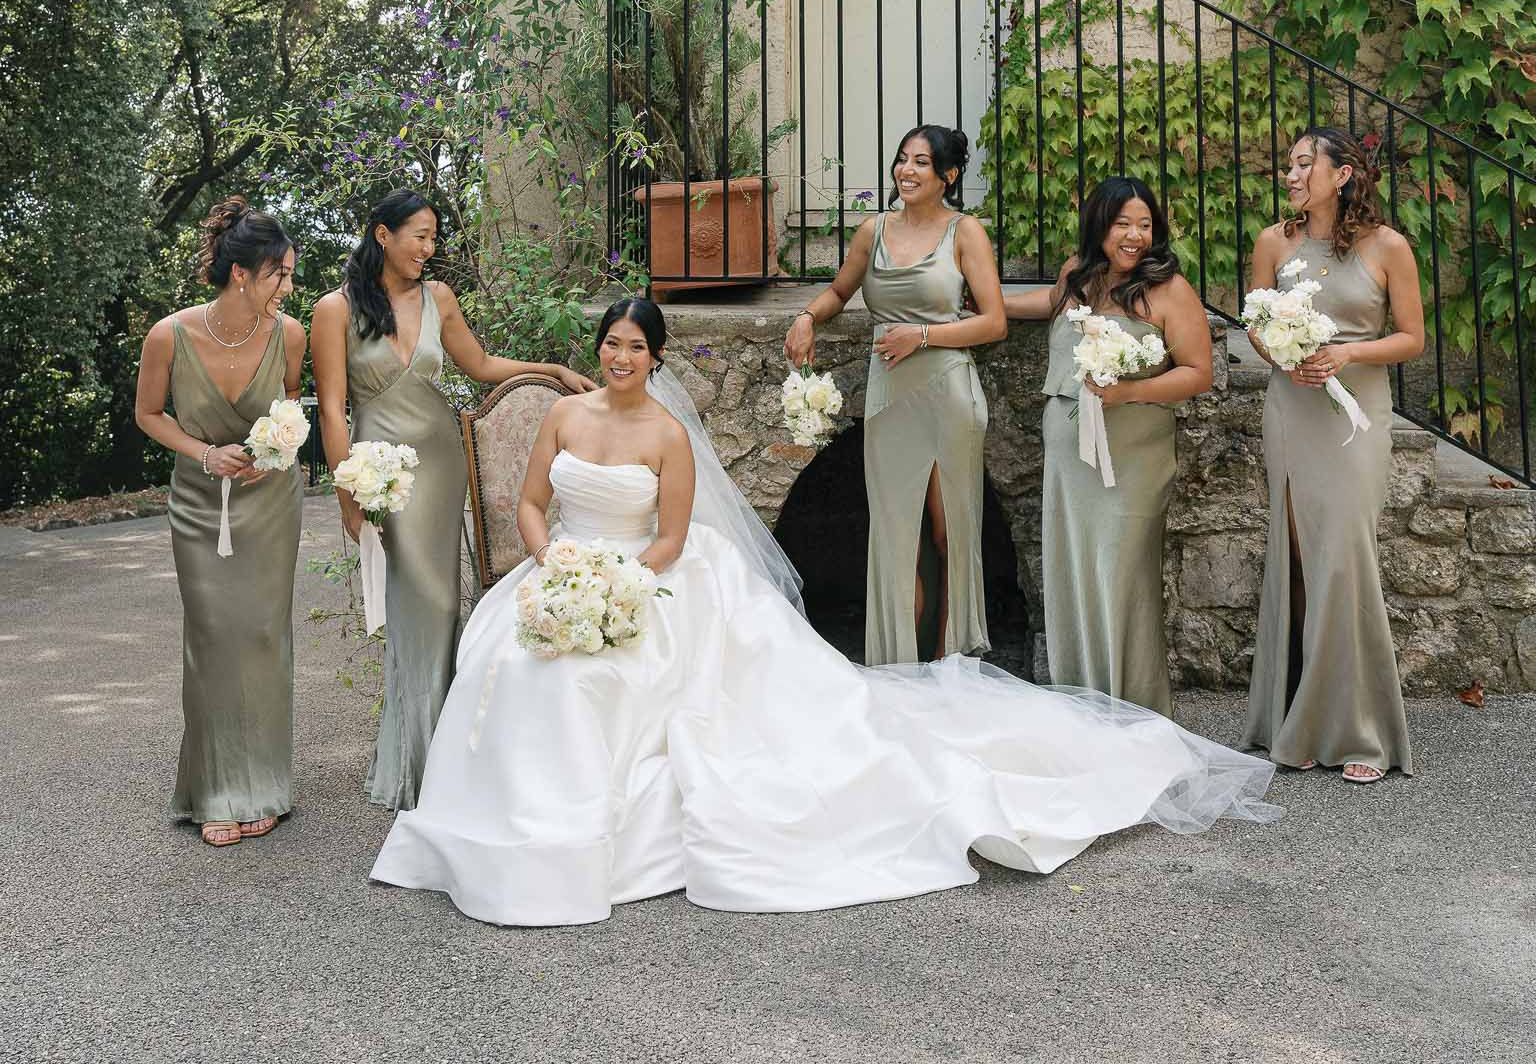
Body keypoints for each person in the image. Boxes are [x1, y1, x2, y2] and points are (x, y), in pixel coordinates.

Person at [370, 296, 1278, 927]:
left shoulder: (666, 436)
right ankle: (500, 834)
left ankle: (570, 844)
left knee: (600, 679)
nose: (619, 359)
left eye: (636, 350)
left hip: (648, 577)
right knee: (515, 662)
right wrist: (551, 562)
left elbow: (673, 538)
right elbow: (534, 503)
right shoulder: (564, 420)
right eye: (611, 345)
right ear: (600, 346)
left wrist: (621, 588)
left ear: (656, 361)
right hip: (561, 568)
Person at [310, 187, 595, 810]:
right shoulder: (334, 310)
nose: (429, 248)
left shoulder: (439, 297)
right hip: (380, 472)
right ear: (382, 235)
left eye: (434, 236)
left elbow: (482, 364)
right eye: (419, 235)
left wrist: (553, 374)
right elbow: (333, 408)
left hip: (439, 465)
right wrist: (346, 493)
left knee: (441, 607)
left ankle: (438, 762)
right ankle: (416, 763)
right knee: (419, 604)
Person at [784, 125, 1006, 664]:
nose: (906, 171)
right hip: (890, 399)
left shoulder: (965, 232)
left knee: (946, 527)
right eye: (902, 160)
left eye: (921, 163)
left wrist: (923, 334)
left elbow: (994, 322)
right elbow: (841, 290)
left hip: (946, 389)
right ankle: (901, 663)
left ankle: (950, 657)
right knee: (895, 531)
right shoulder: (872, 231)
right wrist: (807, 316)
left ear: (948, 176)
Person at [1242, 129, 1424, 782]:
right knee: (1296, 559)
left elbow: (1411, 338)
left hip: (1355, 418)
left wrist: (1346, 351)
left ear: (1342, 174)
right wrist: (1283, 355)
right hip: (1291, 411)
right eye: (1287, 164)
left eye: (1302, 164)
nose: (1290, 174)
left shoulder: (1388, 246)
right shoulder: (1273, 242)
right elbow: (1256, 326)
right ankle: (1303, 720)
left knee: (1344, 561)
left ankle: (1361, 733)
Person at [134, 197, 307, 847]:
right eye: (280, 274)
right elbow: (149, 414)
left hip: (269, 503)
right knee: (212, 638)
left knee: (263, 636)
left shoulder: (289, 336)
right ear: (243, 274)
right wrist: (206, 452)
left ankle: (263, 786)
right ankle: (213, 791)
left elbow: (289, 415)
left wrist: (272, 452)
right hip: (200, 504)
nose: (288, 287)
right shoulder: (168, 335)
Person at [1004, 178, 1212, 715]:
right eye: (1123, 224)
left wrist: (1130, 391)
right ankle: (1082, 707)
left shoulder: (1169, 290)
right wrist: (982, 306)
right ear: (1100, 225)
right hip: (1068, 449)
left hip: (1134, 453)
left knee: (1121, 574)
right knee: (1072, 570)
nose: (1135, 236)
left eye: (1144, 225)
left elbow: (1198, 372)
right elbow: (1047, 304)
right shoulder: (1078, 276)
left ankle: (1133, 710)